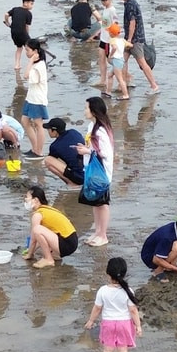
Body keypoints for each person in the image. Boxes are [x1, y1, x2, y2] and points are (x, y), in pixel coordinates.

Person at [83, 257, 143, 352]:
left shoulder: (102, 291)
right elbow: (133, 310)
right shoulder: (128, 291)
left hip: (108, 323)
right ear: (125, 273)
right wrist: (138, 326)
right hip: (124, 324)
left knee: (107, 350)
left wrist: (91, 320)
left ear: (108, 274)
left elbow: (97, 308)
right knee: (122, 350)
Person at [73, 97, 114, 247]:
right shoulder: (92, 127)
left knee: (102, 204)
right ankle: (97, 231)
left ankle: (103, 234)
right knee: (95, 203)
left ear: (94, 111)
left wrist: (88, 151)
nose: (84, 111)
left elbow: (106, 153)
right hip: (91, 169)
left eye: (86, 108)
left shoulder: (101, 130)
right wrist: (85, 149)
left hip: (101, 172)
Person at [113, 0, 160, 93]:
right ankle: (124, 83)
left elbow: (132, 23)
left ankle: (154, 86)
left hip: (135, 40)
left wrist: (129, 39)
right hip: (130, 38)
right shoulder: (128, 3)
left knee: (142, 63)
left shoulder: (131, 4)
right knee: (122, 61)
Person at [23, 185, 79, 268]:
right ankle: (55, 255)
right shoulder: (47, 209)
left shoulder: (38, 214)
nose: (25, 200)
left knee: (37, 229)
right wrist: (31, 250)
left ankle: (48, 259)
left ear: (35, 200)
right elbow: (42, 237)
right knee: (40, 231)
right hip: (72, 241)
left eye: (27, 197)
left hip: (67, 243)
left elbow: (34, 238)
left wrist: (29, 254)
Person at [18, 38, 50, 160]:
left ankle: (39, 152)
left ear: (35, 51)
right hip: (30, 98)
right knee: (25, 121)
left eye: (28, 50)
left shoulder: (39, 66)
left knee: (38, 124)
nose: (26, 52)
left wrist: (30, 61)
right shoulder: (36, 64)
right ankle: (34, 148)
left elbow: (26, 76)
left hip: (37, 99)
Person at [44, 117, 85, 189]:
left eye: (49, 129)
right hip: (89, 172)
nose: (48, 131)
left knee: (48, 160)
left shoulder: (54, 146)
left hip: (80, 178)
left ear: (55, 131)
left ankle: (72, 184)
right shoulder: (74, 132)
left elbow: (52, 159)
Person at [93, 0, 118, 92]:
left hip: (109, 40)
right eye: (102, 0)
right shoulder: (105, 10)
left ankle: (125, 76)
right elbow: (105, 24)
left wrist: (114, 39)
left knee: (111, 61)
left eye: (105, 0)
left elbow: (115, 24)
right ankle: (102, 80)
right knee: (101, 59)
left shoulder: (112, 10)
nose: (104, 2)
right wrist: (98, 33)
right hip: (103, 38)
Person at [3, 0, 35, 71]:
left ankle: (17, 65)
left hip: (13, 32)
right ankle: (33, 63)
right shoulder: (28, 14)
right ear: (25, 3)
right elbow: (27, 26)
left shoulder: (15, 9)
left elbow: (6, 14)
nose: (32, 6)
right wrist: (27, 36)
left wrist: (7, 23)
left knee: (19, 48)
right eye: (31, 4)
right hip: (22, 33)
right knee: (31, 48)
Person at [105, 24, 131, 100]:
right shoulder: (122, 40)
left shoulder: (112, 40)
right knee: (110, 75)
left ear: (111, 34)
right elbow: (131, 45)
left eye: (109, 32)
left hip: (116, 60)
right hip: (121, 60)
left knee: (120, 79)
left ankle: (126, 95)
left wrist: (110, 55)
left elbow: (114, 47)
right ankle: (108, 92)